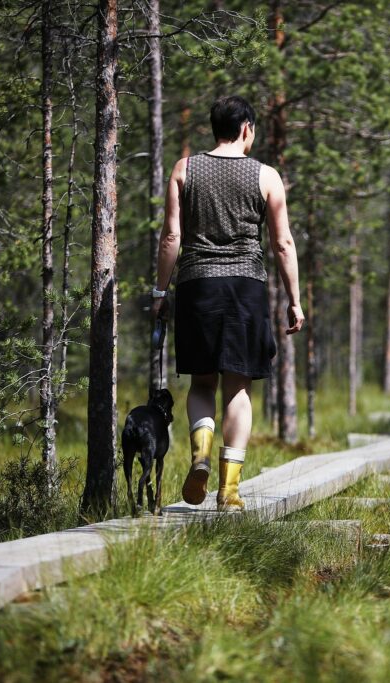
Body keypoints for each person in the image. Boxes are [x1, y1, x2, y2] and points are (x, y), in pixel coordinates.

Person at [151, 95, 304, 512]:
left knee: (203, 382)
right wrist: (294, 299)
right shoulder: (266, 176)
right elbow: (282, 242)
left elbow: (170, 238)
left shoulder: (185, 169)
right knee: (238, 387)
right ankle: (230, 490)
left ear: (214, 126)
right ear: (247, 129)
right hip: (245, 289)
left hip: (197, 285)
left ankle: (200, 454)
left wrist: (161, 292)